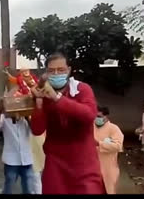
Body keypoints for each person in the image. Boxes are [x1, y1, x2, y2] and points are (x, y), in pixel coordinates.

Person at [30, 52, 105, 194]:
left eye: (61, 70)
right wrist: (38, 104)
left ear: (69, 70)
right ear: (46, 73)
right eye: (51, 71)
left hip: (84, 163)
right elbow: (37, 130)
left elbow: (88, 115)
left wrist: (56, 97)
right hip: (55, 164)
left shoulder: (82, 89)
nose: (56, 73)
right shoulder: (43, 95)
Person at [0, 99, 34, 194]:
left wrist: (27, 116)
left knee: (28, 189)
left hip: (27, 160)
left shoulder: (27, 119)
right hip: (11, 161)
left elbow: (35, 131)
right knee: (8, 189)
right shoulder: (4, 118)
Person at [94, 106, 124, 194]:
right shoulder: (89, 127)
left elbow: (118, 146)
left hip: (108, 168)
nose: (96, 118)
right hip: (91, 166)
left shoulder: (114, 129)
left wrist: (99, 143)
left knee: (108, 190)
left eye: (99, 116)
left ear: (106, 117)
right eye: (94, 116)